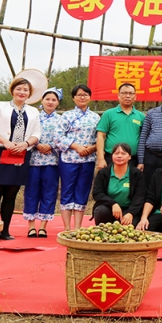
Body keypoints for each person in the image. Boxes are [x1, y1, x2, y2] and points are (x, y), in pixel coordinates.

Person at [0, 76, 41, 241]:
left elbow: (37, 133)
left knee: (11, 194)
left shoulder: (33, 111)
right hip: (0, 152)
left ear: (30, 93)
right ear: (12, 90)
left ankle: (5, 230)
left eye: (25, 90)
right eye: (19, 89)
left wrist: (25, 143)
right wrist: (6, 142)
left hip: (21, 154)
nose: (22, 92)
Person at [57, 84, 99, 232]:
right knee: (67, 190)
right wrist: (76, 147)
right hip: (69, 159)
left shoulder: (95, 117)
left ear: (90, 97)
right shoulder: (66, 116)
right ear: (73, 98)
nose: (82, 97)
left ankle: (77, 228)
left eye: (85, 95)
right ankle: (67, 228)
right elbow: (58, 137)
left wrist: (92, 148)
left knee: (82, 191)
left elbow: (100, 137)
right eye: (79, 95)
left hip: (88, 160)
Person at [23, 87, 62, 238]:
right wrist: (37, 145)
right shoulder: (34, 117)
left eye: (54, 100)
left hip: (52, 161)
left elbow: (63, 137)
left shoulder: (61, 119)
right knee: (31, 192)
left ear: (58, 102)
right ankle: (31, 226)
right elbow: (26, 134)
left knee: (49, 192)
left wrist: (51, 146)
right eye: (48, 99)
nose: (50, 102)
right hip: (33, 160)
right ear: (42, 100)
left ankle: (43, 226)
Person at [91, 143, 145, 226]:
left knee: (130, 228)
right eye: (116, 153)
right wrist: (113, 204)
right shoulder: (103, 173)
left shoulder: (137, 174)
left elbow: (140, 196)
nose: (119, 156)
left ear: (129, 157)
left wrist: (131, 213)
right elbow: (97, 193)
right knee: (101, 211)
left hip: (129, 210)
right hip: (109, 208)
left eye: (123, 153)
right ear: (112, 156)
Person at [96, 83, 144, 168]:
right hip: (111, 158)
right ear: (118, 95)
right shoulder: (108, 114)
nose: (127, 96)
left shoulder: (141, 116)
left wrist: (141, 161)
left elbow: (143, 139)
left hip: (133, 159)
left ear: (135, 97)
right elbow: (101, 136)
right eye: (124, 93)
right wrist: (101, 159)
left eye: (131, 93)